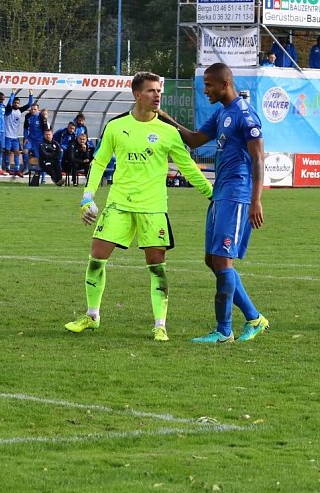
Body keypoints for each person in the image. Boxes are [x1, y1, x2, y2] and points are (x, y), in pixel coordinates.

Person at [64, 71, 212, 341]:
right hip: (118, 205)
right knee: (96, 258)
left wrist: (211, 193)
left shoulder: (168, 132)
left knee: (156, 266)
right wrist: (87, 196)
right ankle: (92, 316)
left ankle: (160, 325)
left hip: (153, 209)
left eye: (159, 91)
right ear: (136, 94)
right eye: (151, 91)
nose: (157, 95)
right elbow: (99, 163)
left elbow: (187, 167)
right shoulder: (116, 127)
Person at [160, 63, 268, 343]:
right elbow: (195, 141)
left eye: (209, 84)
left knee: (222, 258)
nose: (205, 89)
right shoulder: (222, 113)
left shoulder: (245, 115)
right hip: (220, 192)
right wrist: (164, 118)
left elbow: (258, 158)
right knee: (212, 259)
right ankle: (254, 318)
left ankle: (224, 331)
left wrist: (256, 200)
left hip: (238, 193)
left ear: (225, 84)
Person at [4, 89, 33, 176]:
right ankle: (8, 168)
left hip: (15, 137)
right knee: (7, 152)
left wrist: (31, 95)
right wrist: (12, 93)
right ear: (13, 103)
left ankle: (17, 169)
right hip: (7, 136)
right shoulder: (8, 110)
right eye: (15, 103)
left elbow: (29, 105)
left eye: (18, 103)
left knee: (17, 152)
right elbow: (9, 104)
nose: (16, 104)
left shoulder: (19, 110)